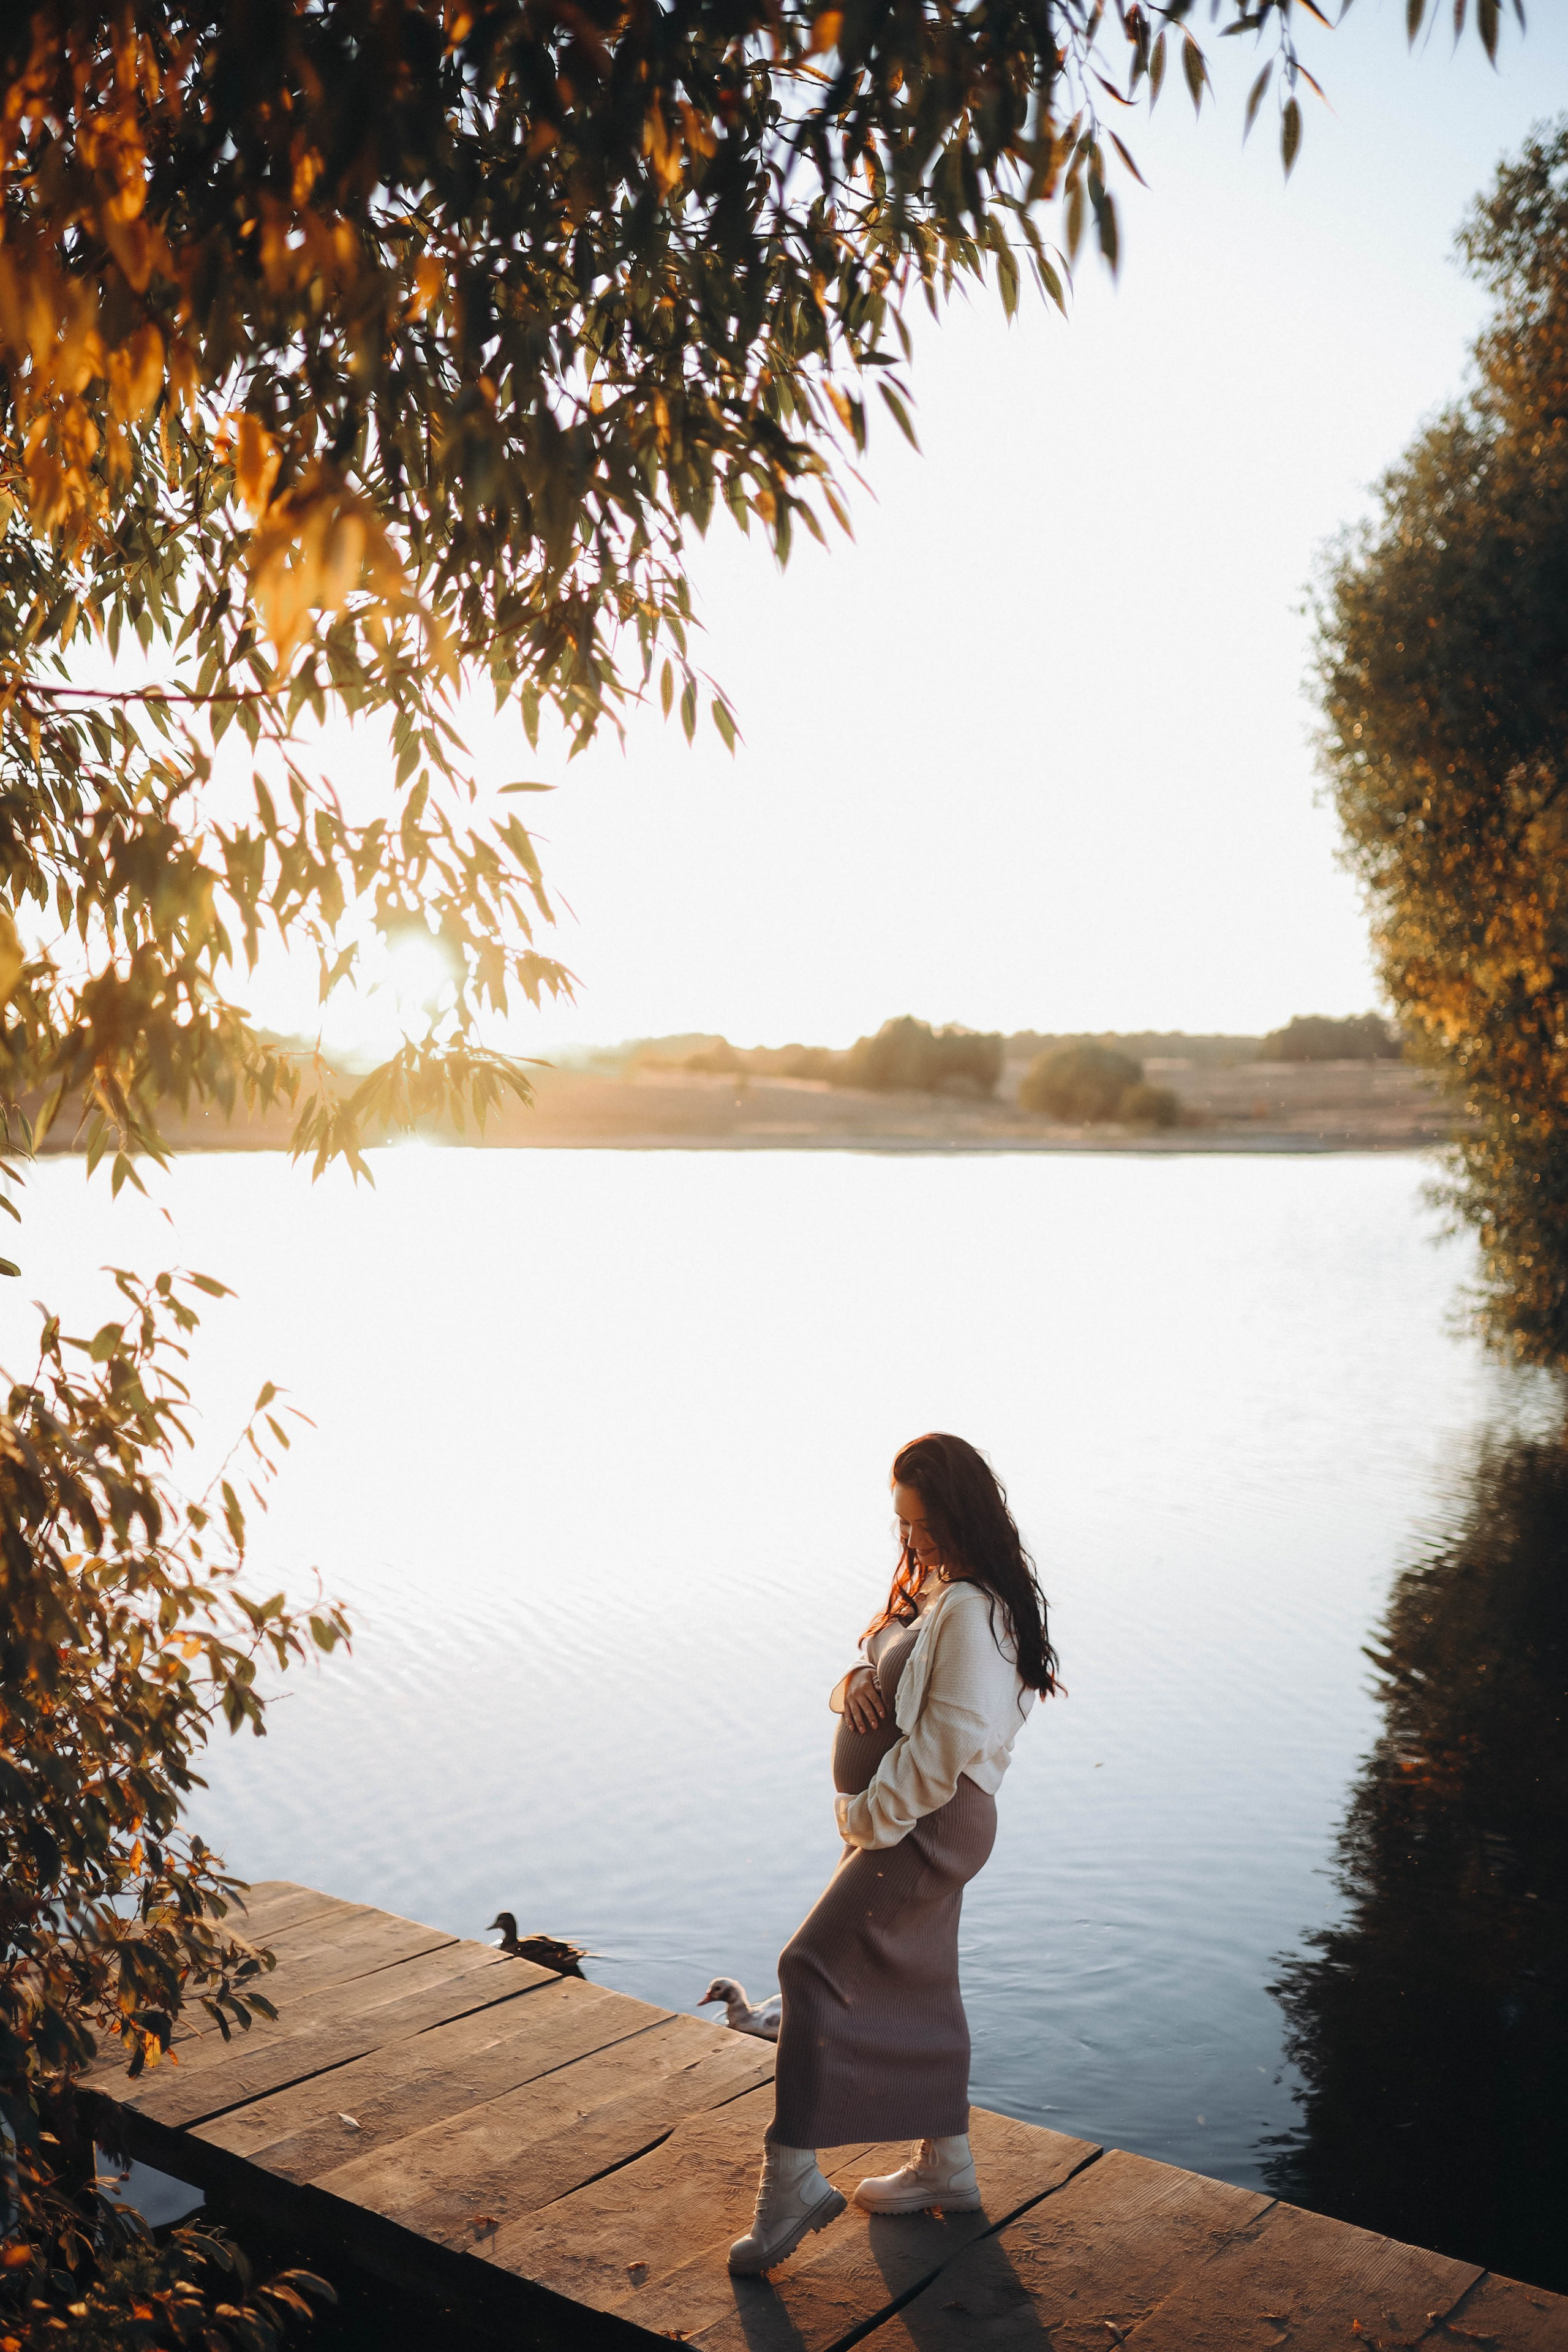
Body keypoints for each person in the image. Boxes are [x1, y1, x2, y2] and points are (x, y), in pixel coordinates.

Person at [728, 1431, 1060, 2275]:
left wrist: (865, 1817)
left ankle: (792, 2180)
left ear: (958, 1514)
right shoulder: (940, 1590)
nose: (909, 1540)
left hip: (928, 1819)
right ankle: (946, 2166)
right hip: (922, 1819)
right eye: (901, 1524)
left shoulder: (979, 1611)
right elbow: (877, 1670)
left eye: (922, 1524)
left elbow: (949, 1738)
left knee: (807, 1967)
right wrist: (858, 1687)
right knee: (921, 1983)